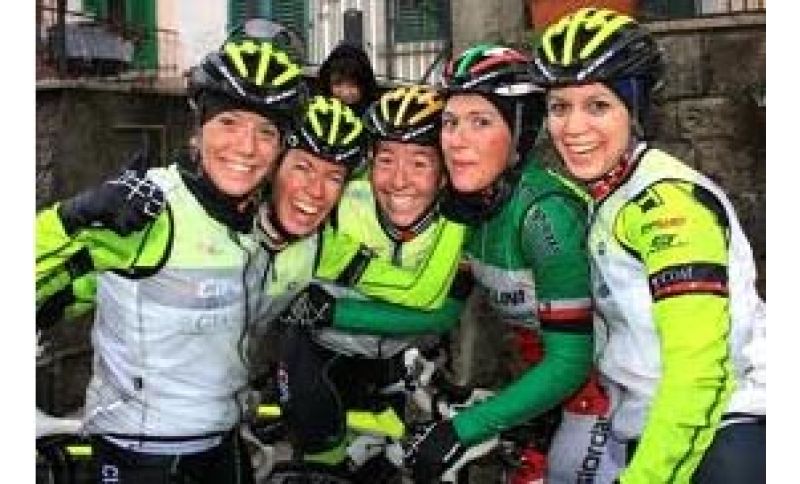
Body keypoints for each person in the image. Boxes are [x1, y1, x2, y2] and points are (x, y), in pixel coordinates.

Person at [34, 34, 359, 483]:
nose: (247, 147)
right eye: (229, 122)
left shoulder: (255, 224)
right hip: (141, 452)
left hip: (222, 442)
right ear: (198, 127)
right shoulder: (152, 208)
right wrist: (72, 217)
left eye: (266, 132)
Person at [530, 7, 766, 483]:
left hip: (723, 433)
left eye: (598, 105)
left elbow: (700, 373)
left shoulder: (667, 207)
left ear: (635, 111)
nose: (572, 128)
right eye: (559, 107)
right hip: (666, 429)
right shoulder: (612, 191)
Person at [402, 43, 595, 482]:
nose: (457, 140)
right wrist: (334, 314)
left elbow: (571, 361)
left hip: (599, 388)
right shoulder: (472, 206)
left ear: (520, 134)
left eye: (481, 121)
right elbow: (443, 311)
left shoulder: (545, 216)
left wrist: (463, 430)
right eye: (450, 122)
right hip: (541, 380)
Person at [271, 84, 469, 472]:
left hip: (396, 360)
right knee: (320, 463)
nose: (398, 181)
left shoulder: (463, 221)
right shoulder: (341, 198)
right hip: (319, 352)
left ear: (446, 172)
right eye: (386, 160)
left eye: (419, 163)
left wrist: (333, 311)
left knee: (384, 466)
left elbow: (443, 315)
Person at [316, 42, 378, 117]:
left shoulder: (376, 117)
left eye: (353, 84)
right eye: (338, 83)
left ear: (365, 85)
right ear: (327, 83)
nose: (346, 93)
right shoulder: (316, 112)